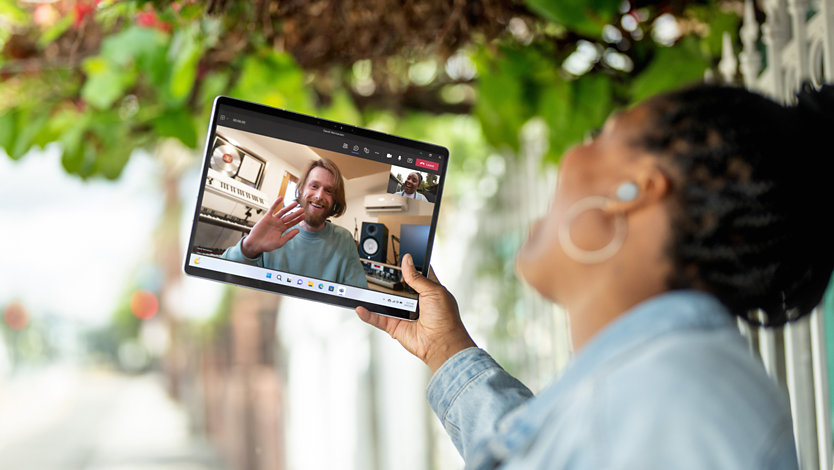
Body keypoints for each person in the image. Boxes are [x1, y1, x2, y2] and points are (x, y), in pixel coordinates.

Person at [357, 83, 834, 469]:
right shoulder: (663, 393)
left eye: (599, 137)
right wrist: (446, 351)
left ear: (636, 191)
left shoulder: (677, 402)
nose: (570, 155)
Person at [223, 158, 368, 288]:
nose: (319, 196)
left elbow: (359, 296)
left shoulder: (344, 240)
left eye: (329, 190)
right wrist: (248, 248)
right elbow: (223, 273)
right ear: (301, 189)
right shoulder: (274, 232)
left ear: (335, 199)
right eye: (314, 186)